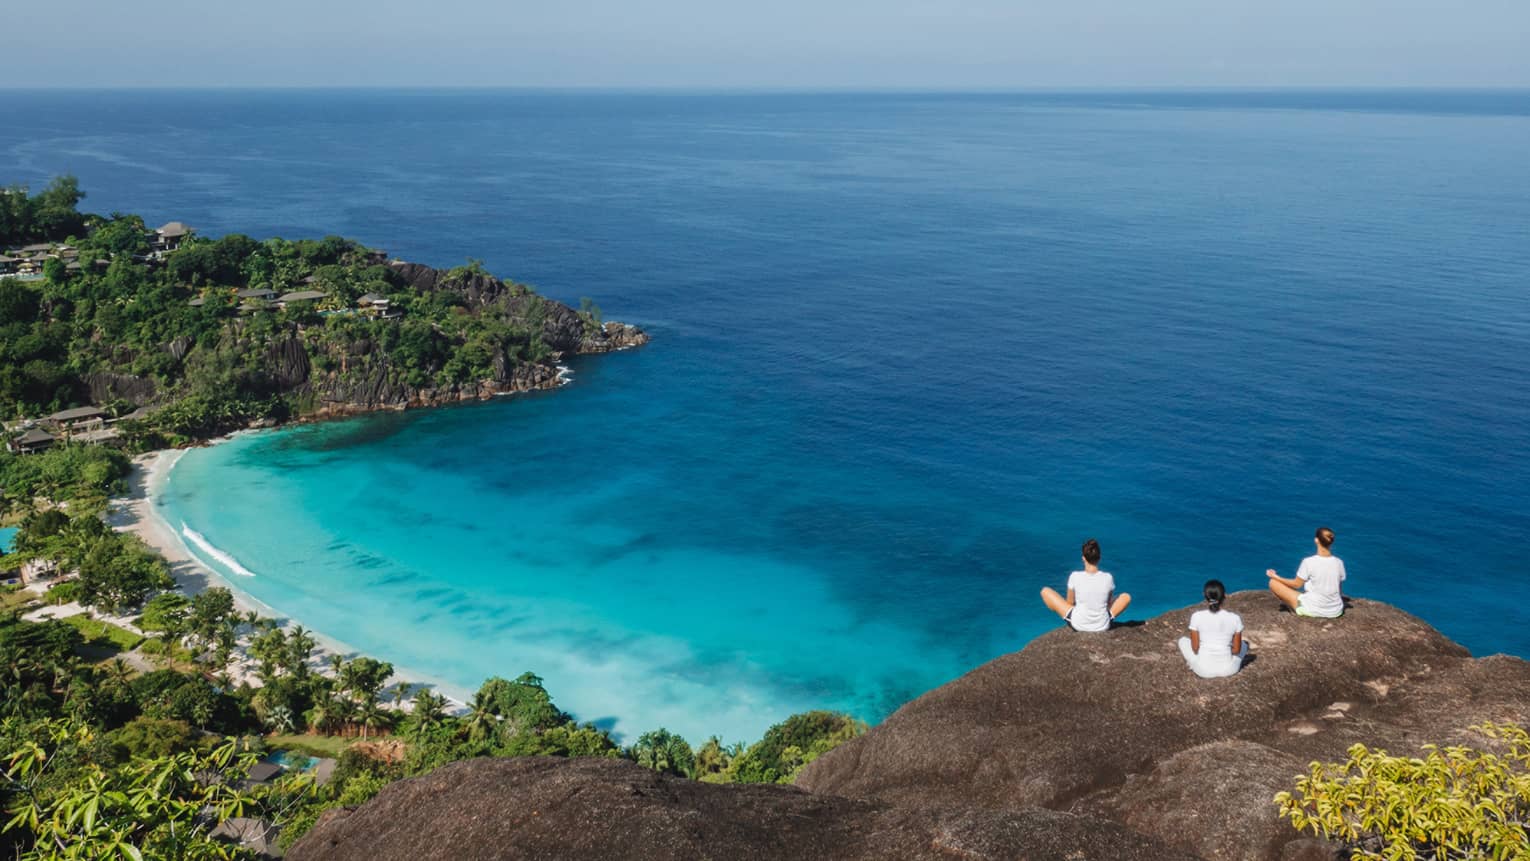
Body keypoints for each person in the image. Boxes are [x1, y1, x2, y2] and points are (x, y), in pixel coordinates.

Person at [1040, 538, 1130, 632]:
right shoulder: (1108, 577)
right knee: (1126, 596)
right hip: (1103, 625)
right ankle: (1101, 618)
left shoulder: (1075, 576)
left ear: (1083, 558)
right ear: (1099, 558)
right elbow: (1108, 603)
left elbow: (1070, 603)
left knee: (1045, 591)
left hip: (1078, 624)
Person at [1266, 526, 1346, 618]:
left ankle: (1295, 609)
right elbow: (1339, 589)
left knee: (1273, 583)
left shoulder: (1308, 562)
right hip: (1335, 610)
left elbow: (1296, 585)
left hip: (1313, 609)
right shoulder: (1339, 562)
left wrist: (1275, 576)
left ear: (1316, 540)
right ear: (1331, 542)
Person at [1178, 579, 1248, 678]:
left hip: (1203, 670)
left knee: (1182, 641)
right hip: (1228, 670)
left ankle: (1193, 663)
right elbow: (1236, 650)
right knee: (1244, 644)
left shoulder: (1197, 616)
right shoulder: (1235, 618)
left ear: (1204, 596)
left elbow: (1195, 648)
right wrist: (1224, 650)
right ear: (1224, 596)